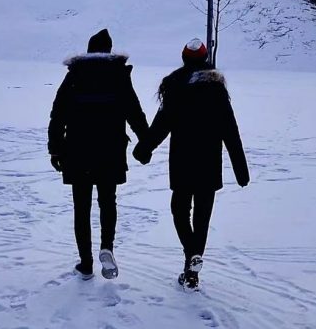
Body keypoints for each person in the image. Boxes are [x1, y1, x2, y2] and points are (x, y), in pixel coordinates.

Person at [133, 38, 249, 290]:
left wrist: (144, 149)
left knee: (179, 210)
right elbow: (231, 131)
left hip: (183, 162)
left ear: (184, 59)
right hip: (209, 163)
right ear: (205, 59)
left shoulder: (176, 88)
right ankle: (193, 266)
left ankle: (190, 256)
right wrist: (241, 169)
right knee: (202, 216)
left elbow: (161, 124)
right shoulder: (217, 91)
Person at [48, 28, 149, 280]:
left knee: (81, 208)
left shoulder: (74, 75)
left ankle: (85, 263)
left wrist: (55, 149)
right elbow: (134, 113)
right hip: (110, 151)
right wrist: (146, 143)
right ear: (109, 50)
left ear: (89, 49)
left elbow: (57, 114)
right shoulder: (118, 75)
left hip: (77, 151)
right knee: (108, 201)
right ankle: (107, 247)